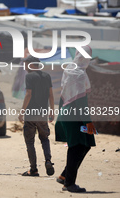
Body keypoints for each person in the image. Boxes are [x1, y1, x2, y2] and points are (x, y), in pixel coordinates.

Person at [55, 46, 96, 193]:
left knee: (85, 144)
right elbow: (80, 101)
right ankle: (69, 184)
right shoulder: (78, 74)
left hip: (68, 112)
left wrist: (60, 113)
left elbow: (63, 94)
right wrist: (88, 122)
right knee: (77, 146)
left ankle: (65, 176)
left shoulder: (69, 70)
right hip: (75, 114)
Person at [18, 55, 55, 177]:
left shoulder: (29, 76)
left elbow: (28, 94)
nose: (24, 66)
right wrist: (52, 111)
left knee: (30, 142)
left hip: (31, 114)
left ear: (30, 64)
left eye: (25, 63)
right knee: (44, 138)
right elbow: (50, 94)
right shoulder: (47, 76)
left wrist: (22, 112)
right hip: (43, 114)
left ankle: (33, 169)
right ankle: (48, 160)